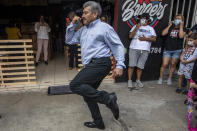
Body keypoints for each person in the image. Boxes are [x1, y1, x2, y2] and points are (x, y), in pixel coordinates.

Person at [65, 1, 125, 130]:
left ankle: (109, 98)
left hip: (102, 62)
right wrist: (72, 25)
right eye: (82, 13)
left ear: (95, 14)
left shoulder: (104, 27)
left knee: (74, 85)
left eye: (86, 13)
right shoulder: (83, 29)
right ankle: (99, 122)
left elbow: (117, 45)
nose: (83, 16)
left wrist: (119, 65)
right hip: (91, 65)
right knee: (88, 95)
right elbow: (69, 40)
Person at [127, 13, 156, 89]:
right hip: (134, 47)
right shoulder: (135, 26)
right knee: (131, 65)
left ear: (148, 20)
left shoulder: (151, 28)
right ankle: (129, 80)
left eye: (144, 18)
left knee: (140, 66)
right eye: (141, 18)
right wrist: (137, 27)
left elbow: (154, 39)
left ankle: (138, 80)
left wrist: (145, 39)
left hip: (145, 49)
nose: (143, 19)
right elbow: (130, 36)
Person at [158, 14, 186, 85]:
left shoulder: (184, 29)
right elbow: (163, 33)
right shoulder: (170, 27)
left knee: (173, 64)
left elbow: (181, 36)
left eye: (179, 19)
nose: (177, 20)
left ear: (182, 21)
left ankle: (169, 79)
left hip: (177, 50)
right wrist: (170, 25)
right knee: (164, 64)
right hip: (167, 49)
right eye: (176, 18)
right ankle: (161, 78)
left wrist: (181, 26)